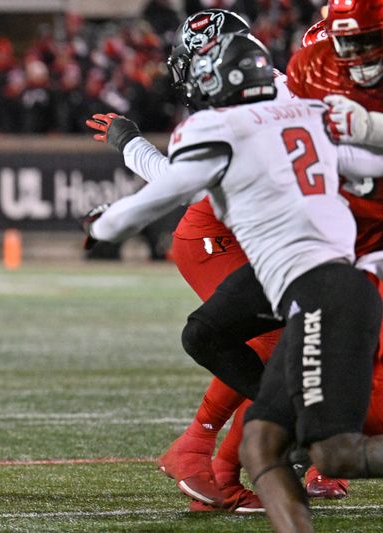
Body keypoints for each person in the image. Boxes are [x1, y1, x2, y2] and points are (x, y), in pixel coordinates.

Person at [83, 33, 383, 533]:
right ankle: (253, 438)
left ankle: (248, 446)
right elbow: (360, 163)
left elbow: (170, 185)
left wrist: (103, 222)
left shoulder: (242, 118)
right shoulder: (311, 110)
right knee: (216, 345)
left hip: (316, 275)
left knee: (320, 444)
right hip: (289, 268)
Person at [90, 9, 279, 513]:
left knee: (282, 350)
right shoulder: (266, 99)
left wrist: (129, 145)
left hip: (244, 233)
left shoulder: (276, 99)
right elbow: (182, 182)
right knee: (278, 353)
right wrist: (129, 152)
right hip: (214, 235)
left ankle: (204, 456)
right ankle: (214, 464)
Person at [286, 0, 383, 496]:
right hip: (333, 226)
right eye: (347, 43)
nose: (356, 55)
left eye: (368, 41)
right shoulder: (311, 59)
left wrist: (367, 131)